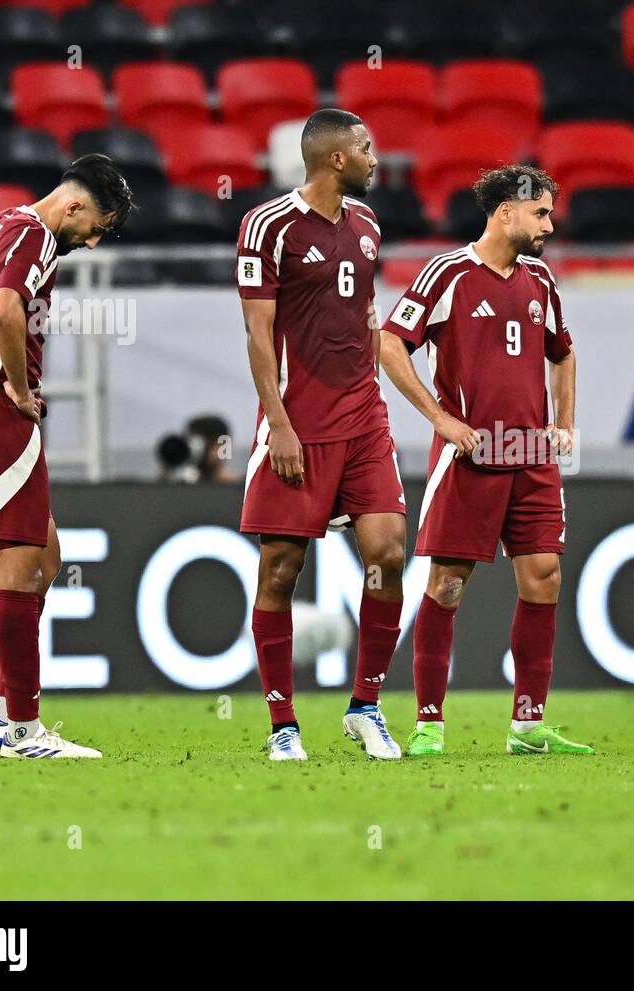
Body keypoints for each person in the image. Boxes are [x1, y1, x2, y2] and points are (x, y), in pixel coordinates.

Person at [0, 154, 134, 758]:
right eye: (97, 225)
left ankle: (2, 713)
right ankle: (23, 730)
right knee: (19, 571)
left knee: (47, 556)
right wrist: (11, 384)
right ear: (74, 204)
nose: (92, 242)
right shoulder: (35, 235)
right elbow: (3, 308)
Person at [379, 165, 593, 758]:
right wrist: (439, 419)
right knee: (447, 586)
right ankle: (428, 724)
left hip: (530, 457)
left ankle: (527, 727)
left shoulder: (540, 280)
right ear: (505, 212)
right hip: (469, 455)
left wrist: (565, 422)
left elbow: (564, 354)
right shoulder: (449, 274)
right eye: (541, 213)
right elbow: (390, 343)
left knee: (544, 578)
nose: (550, 224)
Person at [236, 109, 407, 762]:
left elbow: (364, 311)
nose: (374, 157)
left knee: (387, 552)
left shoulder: (367, 224)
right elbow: (257, 331)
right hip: (297, 422)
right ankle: (283, 722)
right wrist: (277, 422)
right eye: (366, 148)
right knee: (280, 569)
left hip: (363, 415)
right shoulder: (267, 225)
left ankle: (366, 704)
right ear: (335, 159)